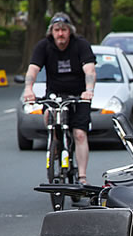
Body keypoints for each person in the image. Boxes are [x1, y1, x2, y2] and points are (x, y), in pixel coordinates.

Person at [22, 12, 96, 185]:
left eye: (64, 30)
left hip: (79, 97)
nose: (60, 34)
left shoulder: (81, 45)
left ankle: (82, 177)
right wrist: (28, 89)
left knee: (79, 134)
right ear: (52, 32)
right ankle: (55, 144)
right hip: (55, 95)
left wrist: (89, 90)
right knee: (48, 116)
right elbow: (33, 70)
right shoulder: (43, 46)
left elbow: (90, 71)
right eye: (57, 30)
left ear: (70, 31)